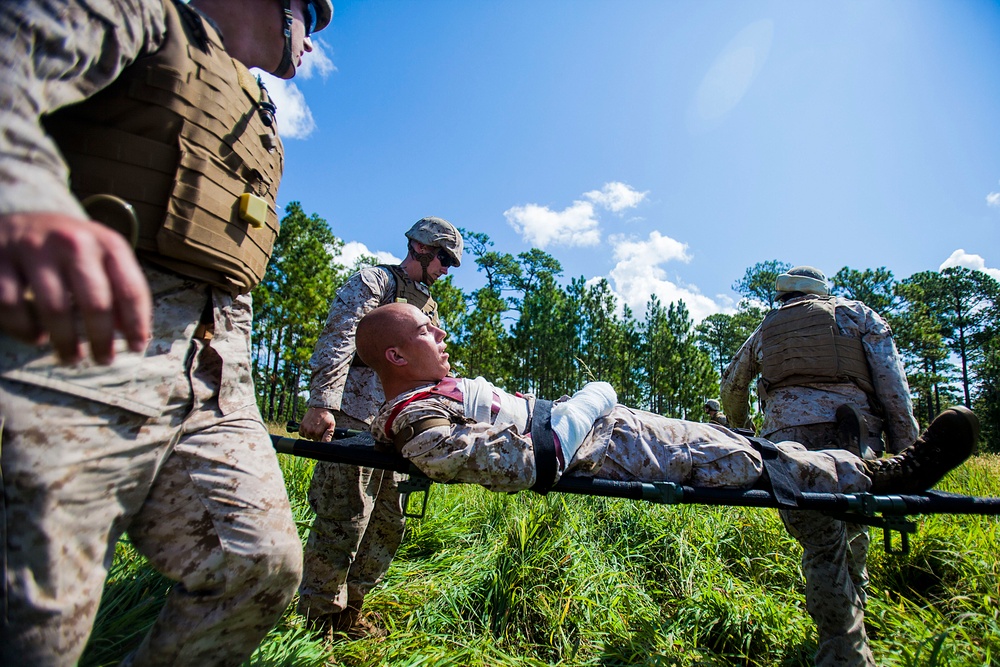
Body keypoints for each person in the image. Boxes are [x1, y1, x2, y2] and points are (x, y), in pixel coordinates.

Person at [0, 1, 332, 665]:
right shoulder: (138, 15)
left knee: (259, 565)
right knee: (35, 630)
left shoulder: (258, 112)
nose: (312, 42)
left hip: (216, 376)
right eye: (307, 14)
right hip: (82, 351)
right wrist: (25, 196)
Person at [351, 303, 974, 516]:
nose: (443, 337)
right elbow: (530, 466)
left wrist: (591, 405)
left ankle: (858, 465)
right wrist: (592, 400)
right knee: (743, 461)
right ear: (399, 356)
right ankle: (881, 476)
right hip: (604, 445)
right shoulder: (417, 421)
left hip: (608, 431)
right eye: (429, 334)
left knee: (741, 448)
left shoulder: (428, 400)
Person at [719, 265, 921, 667]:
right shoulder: (857, 315)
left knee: (821, 545)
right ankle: (849, 644)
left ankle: (843, 645)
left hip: (789, 448)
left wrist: (743, 430)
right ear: (823, 290)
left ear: (783, 297)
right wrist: (907, 454)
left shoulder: (766, 330)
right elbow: (894, 389)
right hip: (854, 439)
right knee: (853, 530)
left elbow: (732, 386)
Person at [296, 217, 463, 640]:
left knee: (388, 521)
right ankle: (317, 621)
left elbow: (429, 372)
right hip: (353, 415)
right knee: (343, 517)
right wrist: (323, 403)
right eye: (444, 258)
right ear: (421, 249)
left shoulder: (427, 307)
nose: (446, 268)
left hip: (400, 425)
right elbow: (337, 338)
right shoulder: (372, 283)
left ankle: (350, 611)